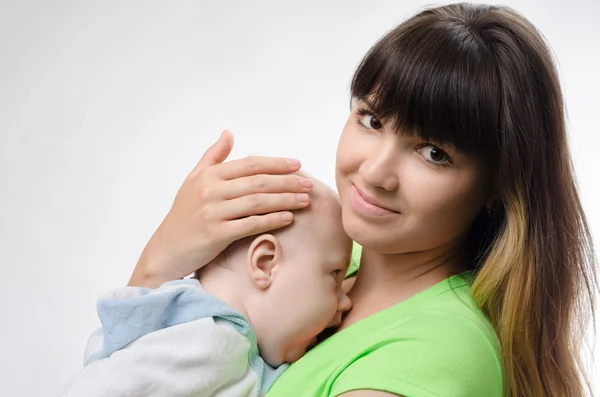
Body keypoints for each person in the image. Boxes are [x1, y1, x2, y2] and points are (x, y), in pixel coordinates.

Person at [89, 3, 599, 397]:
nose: (375, 172)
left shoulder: (435, 350)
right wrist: (163, 259)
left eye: (433, 152)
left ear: (496, 188)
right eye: (372, 120)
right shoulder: (328, 260)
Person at [59, 175, 353, 396]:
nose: (346, 302)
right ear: (265, 263)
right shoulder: (212, 343)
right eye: (334, 275)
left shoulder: (201, 329)